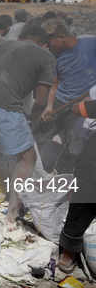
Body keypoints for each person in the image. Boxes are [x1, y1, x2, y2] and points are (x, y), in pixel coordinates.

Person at [0, 26, 56, 225]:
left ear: (21, 37)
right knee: (28, 158)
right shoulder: (46, 56)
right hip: (3, 109)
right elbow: (40, 101)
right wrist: (33, 121)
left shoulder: (2, 45)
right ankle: (13, 214)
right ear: (43, 43)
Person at [35, 19, 96, 155]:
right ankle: (33, 167)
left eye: (49, 41)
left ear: (61, 37)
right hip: (60, 101)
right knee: (39, 138)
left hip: (81, 105)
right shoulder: (53, 57)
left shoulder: (91, 44)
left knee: (76, 146)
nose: (46, 45)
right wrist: (49, 107)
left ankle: (73, 170)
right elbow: (54, 85)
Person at [57, 86, 96, 273]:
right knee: (81, 207)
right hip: (92, 166)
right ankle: (69, 248)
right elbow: (81, 110)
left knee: (81, 206)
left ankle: (69, 251)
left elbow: (77, 109)